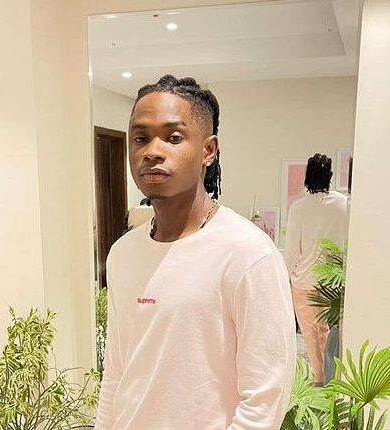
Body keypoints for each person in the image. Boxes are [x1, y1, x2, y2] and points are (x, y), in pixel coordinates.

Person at [94, 75, 296, 430]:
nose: (152, 151)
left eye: (173, 137)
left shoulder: (247, 254)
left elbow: (266, 397)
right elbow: (116, 372)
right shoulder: (123, 253)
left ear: (208, 150)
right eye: (140, 138)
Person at [284, 153, 349, 385]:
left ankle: (319, 379)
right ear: (330, 176)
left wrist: (284, 278)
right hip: (334, 282)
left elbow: (292, 250)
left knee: (311, 334)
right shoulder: (344, 205)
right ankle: (334, 378)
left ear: (307, 176)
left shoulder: (299, 208)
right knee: (332, 334)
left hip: (305, 282)